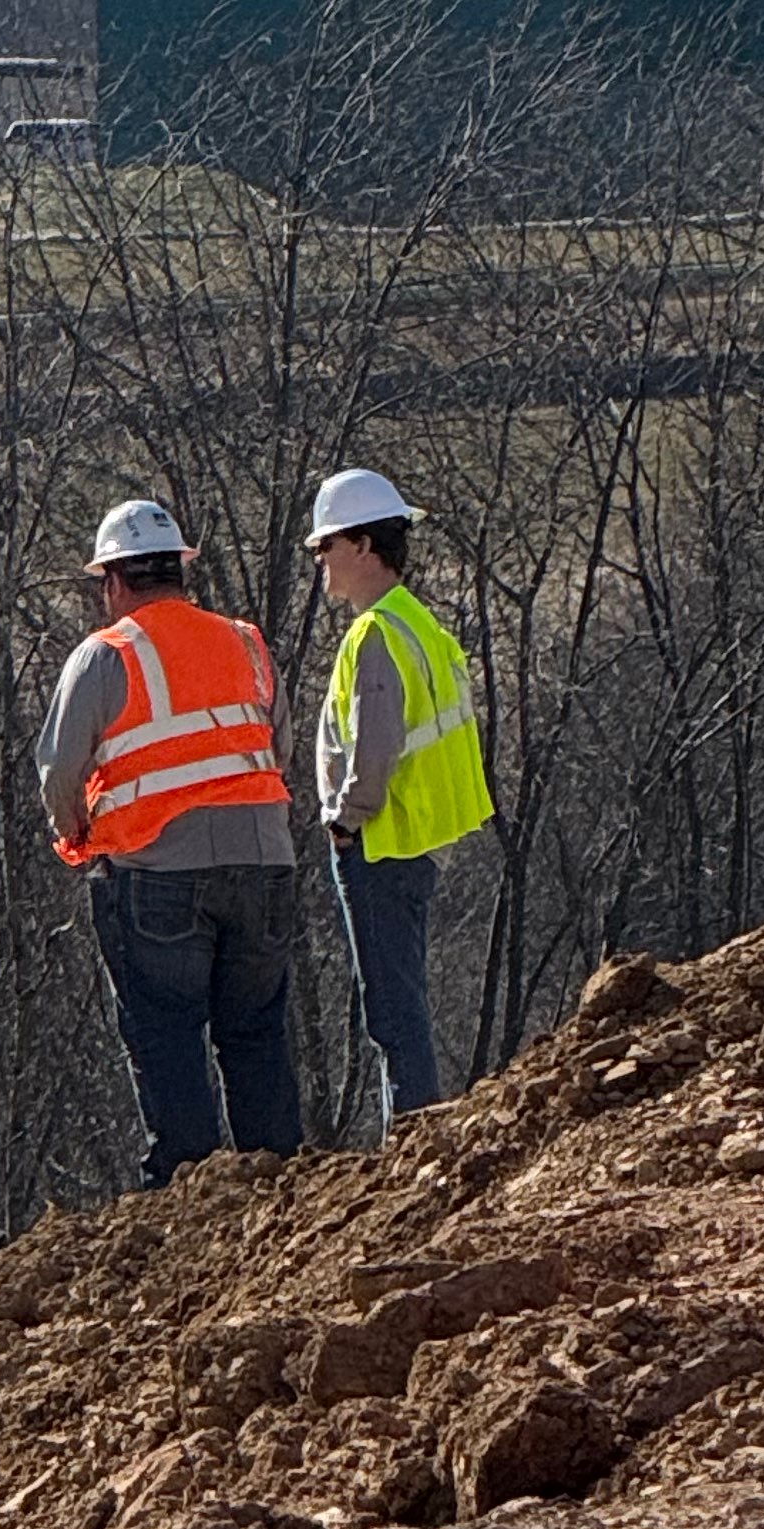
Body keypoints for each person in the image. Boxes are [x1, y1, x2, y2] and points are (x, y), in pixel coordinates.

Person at [37, 498, 302, 1186]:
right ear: (182, 571)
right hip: (266, 863)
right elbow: (281, 746)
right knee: (257, 1035)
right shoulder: (246, 642)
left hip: (157, 875)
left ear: (114, 582)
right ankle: (284, 1189)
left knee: (167, 1035)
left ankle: (187, 1197)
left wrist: (78, 836)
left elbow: (59, 772)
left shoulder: (105, 655)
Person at [307, 466, 495, 1132]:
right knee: (401, 1006)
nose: (319, 559)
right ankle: (420, 1139)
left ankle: (414, 1144)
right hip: (416, 840)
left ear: (361, 544)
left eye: (325, 544)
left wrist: (344, 821)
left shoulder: (375, 635)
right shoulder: (415, 622)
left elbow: (376, 751)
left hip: (382, 842)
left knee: (392, 1014)